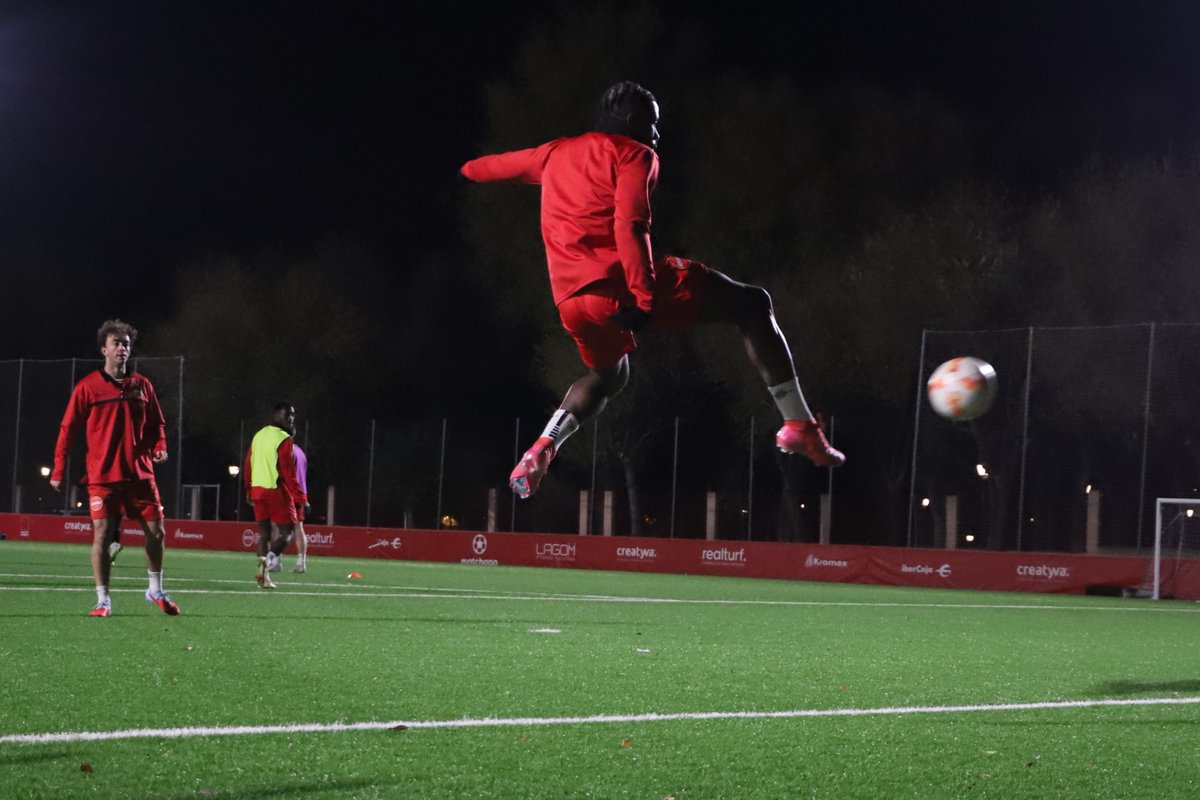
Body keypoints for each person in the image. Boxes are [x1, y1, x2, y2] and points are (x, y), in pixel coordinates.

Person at [460, 81, 844, 499]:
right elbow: (630, 225)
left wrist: (465, 168)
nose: (658, 133)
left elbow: (489, 167)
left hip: (572, 303)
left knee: (609, 377)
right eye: (653, 123)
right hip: (621, 287)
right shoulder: (635, 154)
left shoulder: (555, 153)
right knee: (753, 304)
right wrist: (643, 299)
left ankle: (543, 446)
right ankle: (799, 426)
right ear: (632, 121)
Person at [50, 319, 179, 617]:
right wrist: (58, 469)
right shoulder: (87, 388)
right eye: (116, 343)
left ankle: (155, 590)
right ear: (103, 350)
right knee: (103, 535)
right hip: (103, 476)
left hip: (140, 474)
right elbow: (67, 429)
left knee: (157, 533)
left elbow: (157, 423)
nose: (122, 348)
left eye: (126, 344)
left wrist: (160, 446)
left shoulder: (142, 386)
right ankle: (103, 600)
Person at [244, 402, 306, 588]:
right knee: (287, 533)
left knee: (264, 534)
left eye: (293, 415)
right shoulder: (283, 438)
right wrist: (301, 498)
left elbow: (248, 464)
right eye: (288, 414)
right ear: (276, 415)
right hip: (276, 490)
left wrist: (249, 489)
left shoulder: (259, 435)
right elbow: (288, 472)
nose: (291, 418)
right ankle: (267, 566)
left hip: (258, 490)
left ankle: (264, 577)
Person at [289, 425, 311, 573]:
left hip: (290, 493)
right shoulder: (301, 452)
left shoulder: (288, 452)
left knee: (276, 525)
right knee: (299, 527)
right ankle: (301, 562)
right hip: (301, 492)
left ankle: (275, 561)